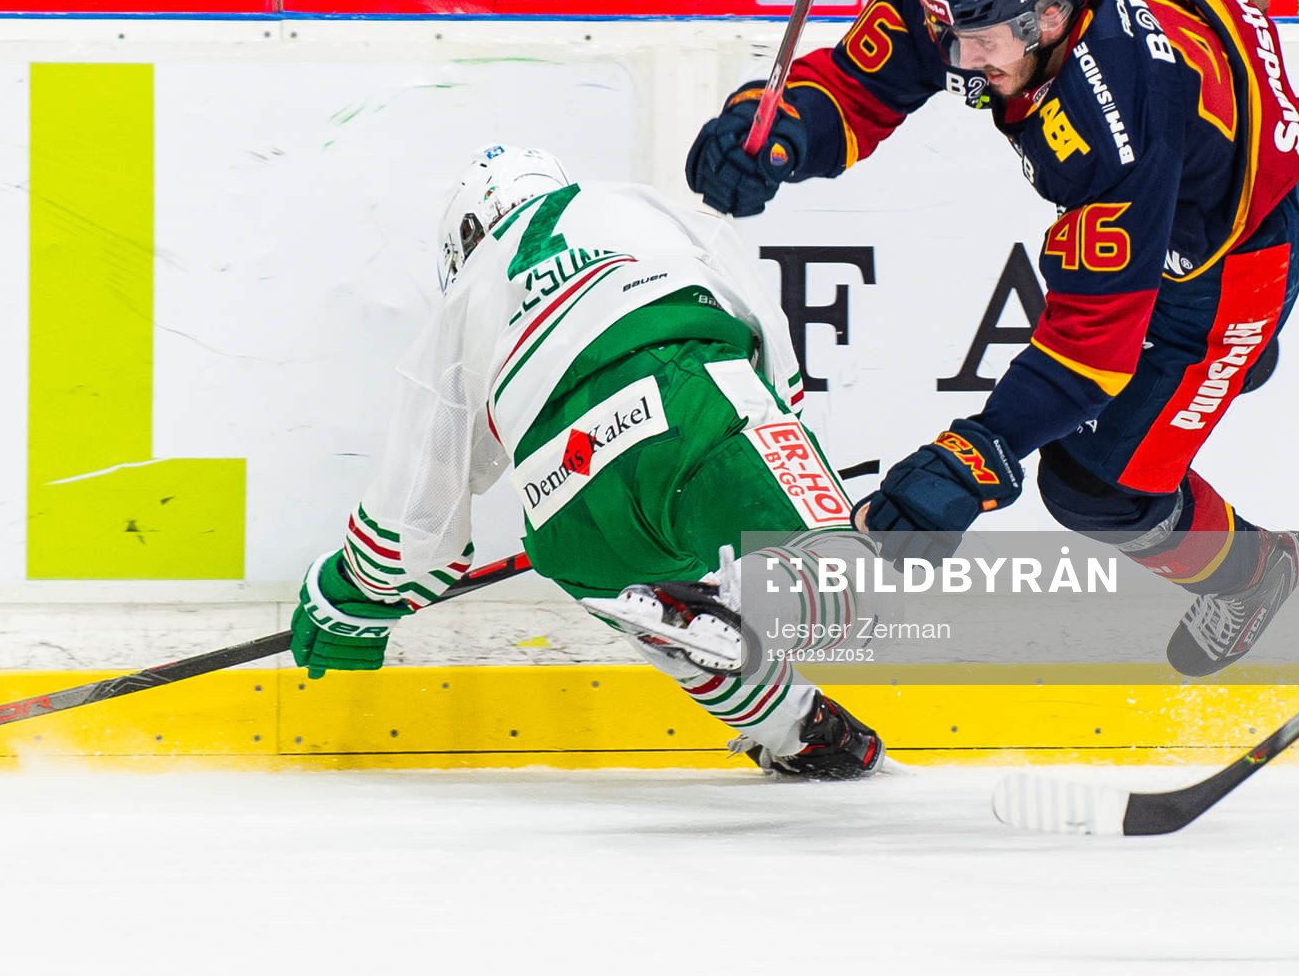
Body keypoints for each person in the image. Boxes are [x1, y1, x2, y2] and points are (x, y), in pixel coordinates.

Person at [686, 0, 1299, 676]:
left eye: (982, 45)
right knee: (1260, 145)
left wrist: (972, 457)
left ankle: (1255, 570)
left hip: (1226, 274)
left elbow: (1088, 348)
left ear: (1051, 19)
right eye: (953, 38)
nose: (960, 62)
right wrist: (776, 131)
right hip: (1203, 140)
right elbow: (863, 86)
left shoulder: (1116, 124)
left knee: (1094, 489)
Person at [289, 145, 884, 778]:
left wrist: (348, 599)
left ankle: (797, 729)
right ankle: (740, 602)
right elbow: (765, 327)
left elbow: (417, 515)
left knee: (655, 613)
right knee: (851, 576)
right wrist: (778, 432)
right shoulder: (644, 206)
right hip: (690, 400)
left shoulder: (466, 301)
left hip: (564, 499)